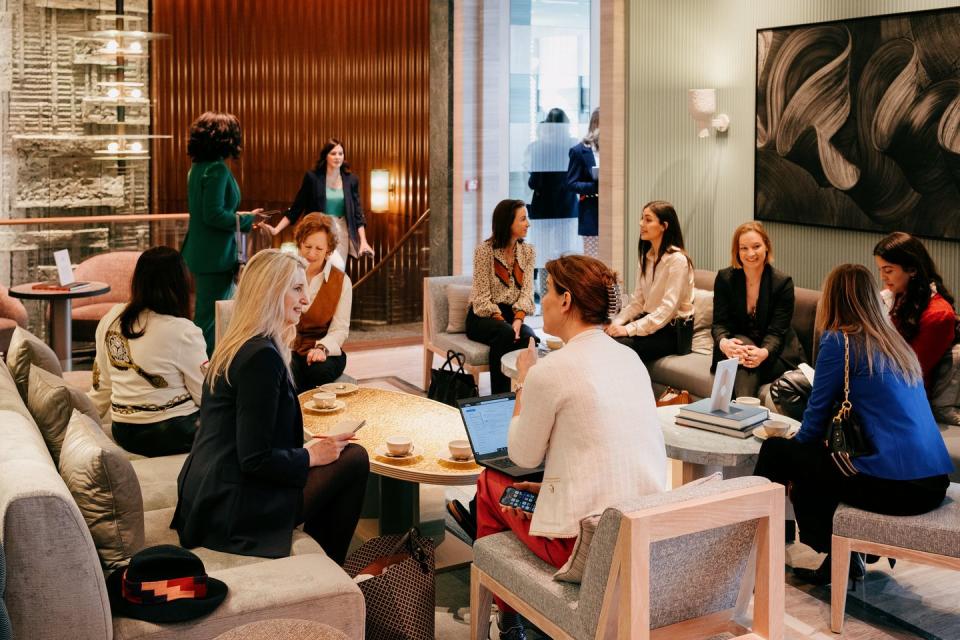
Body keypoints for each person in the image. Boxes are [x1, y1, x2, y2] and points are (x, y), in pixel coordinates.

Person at [474, 254, 667, 640]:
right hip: (643, 528)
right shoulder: (631, 359)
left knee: (488, 482)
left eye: (546, 290)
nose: (540, 299)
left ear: (566, 301)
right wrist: (548, 489)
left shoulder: (550, 370)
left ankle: (510, 618)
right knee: (525, 490)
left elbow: (523, 456)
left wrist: (523, 381)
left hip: (583, 545)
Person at [754, 264, 953, 585]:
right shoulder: (896, 344)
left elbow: (815, 419)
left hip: (898, 487)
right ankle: (841, 559)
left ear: (832, 299)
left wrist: (794, 444)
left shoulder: (840, 341)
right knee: (826, 461)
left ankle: (750, 555)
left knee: (776, 451)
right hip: (933, 481)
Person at [172, 250, 369, 564]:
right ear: (270, 292)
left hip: (210, 492)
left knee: (338, 454)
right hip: (234, 505)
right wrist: (310, 455)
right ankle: (326, 567)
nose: (306, 300)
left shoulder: (240, 343)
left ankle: (323, 561)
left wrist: (309, 452)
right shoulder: (260, 358)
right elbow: (255, 460)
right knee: (355, 459)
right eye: (297, 289)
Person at [88, 247, 206, 457]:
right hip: (174, 431)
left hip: (123, 431)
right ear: (180, 284)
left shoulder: (111, 318)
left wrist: (87, 425)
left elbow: (102, 386)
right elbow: (204, 395)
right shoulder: (183, 331)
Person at [181, 111, 265, 356]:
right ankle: (205, 367)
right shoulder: (217, 170)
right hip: (215, 255)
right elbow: (214, 215)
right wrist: (249, 219)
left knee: (207, 313)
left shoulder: (197, 169)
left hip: (201, 252)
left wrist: (244, 217)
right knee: (211, 318)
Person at [711, 221, 804, 398]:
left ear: (766, 247)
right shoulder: (725, 279)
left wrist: (762, 353)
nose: (750, 253)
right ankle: (746, 415)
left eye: (756, 246)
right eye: (743, 248)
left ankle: (734, 416)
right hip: (734, 350)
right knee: (742, 356)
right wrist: (724, 344)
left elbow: (777, 332)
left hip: (773, 353)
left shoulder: (782, 283)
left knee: (742, 363)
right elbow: (719, 324)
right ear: (737, 251)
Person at [261, 137, 375, 269]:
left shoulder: (351, 180)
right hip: (318, 228)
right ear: (325, 156)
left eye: (340, 153)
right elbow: (297, 207)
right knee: (314, 269)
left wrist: (364, 241)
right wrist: (276, 230)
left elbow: (357, 213)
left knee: (337, 271)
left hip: (341, 231)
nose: (337, 157)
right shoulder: (313, 178)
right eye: (333, 153)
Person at [605, 200, 694, 364]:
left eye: (648, 219)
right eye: (642, 218)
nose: (641, 223)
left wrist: (628, 329)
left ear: (664, 226)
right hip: (649, 323)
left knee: (617, 347)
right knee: (604, 339)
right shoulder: (646, 258)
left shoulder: (677, 260)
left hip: (670, 331)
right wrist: (615, 323)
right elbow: (637, 303)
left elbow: (667, 309)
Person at [467, 199, 538, 395]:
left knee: (530, 337)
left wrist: (517, 321)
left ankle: (524, 395)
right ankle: (499, 397)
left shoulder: (528, 252)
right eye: (523, 219)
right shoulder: (484, 252)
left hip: (511, 315)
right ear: (508, 223)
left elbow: (527, 293)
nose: (528, 224)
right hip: (483, 316)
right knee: (505, 334)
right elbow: (481, 299)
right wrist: (506, 324)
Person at [873, 231, 957, 389]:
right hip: (878, 382)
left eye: (888, 270)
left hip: (902, 393)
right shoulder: (893, 297)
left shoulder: (938, 315)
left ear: (912, 270)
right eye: (880, 270)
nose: (882, 277)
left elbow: (909, 373)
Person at [290, 213, 352, 393]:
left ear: (329, 250)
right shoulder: (285, 273)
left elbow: (340, 329)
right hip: (289, 346)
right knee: (287, 369)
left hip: (321, 349)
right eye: (307, 246)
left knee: (318, 370)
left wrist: (322, 349)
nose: (311, 253)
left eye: (319, 248)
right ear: (299, 243)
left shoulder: (341, 281)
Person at [526, 107, 578, 281]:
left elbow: (533, 182)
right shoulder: (573, 144)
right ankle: (564, 286)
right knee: (565, 251)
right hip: (567, 205)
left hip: (543, 206)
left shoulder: (538, 147)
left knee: (543, 252)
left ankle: (545, 289)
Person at [566, 108, 599, 257]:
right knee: (593, 259)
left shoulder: (617, 148)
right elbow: (571, 183)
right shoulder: (579, 151)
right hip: (591, 211)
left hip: (615, 211)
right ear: (596, 123)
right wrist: (596, 187)